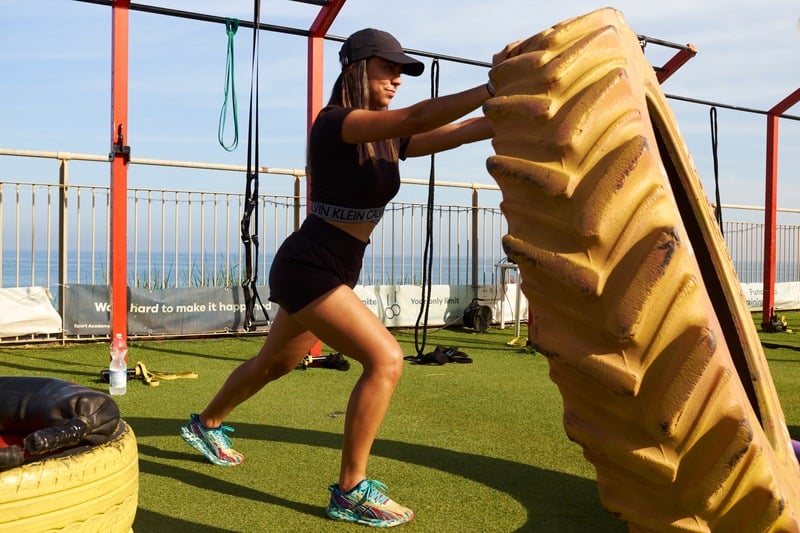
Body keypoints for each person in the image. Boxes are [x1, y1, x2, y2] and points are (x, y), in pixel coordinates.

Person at [181, 28, 521, 528]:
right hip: (309, 267)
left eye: (403, 72)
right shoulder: (336, 123)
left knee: (276, 362)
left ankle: (205, 423)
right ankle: (350, 490)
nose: (397, 80)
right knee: (385, 359)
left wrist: (514, 104)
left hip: (332, 267)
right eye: (390, 68)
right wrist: (492, 86)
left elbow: (458, 131)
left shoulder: (387, 136)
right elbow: (420, 116)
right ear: (357, 68)